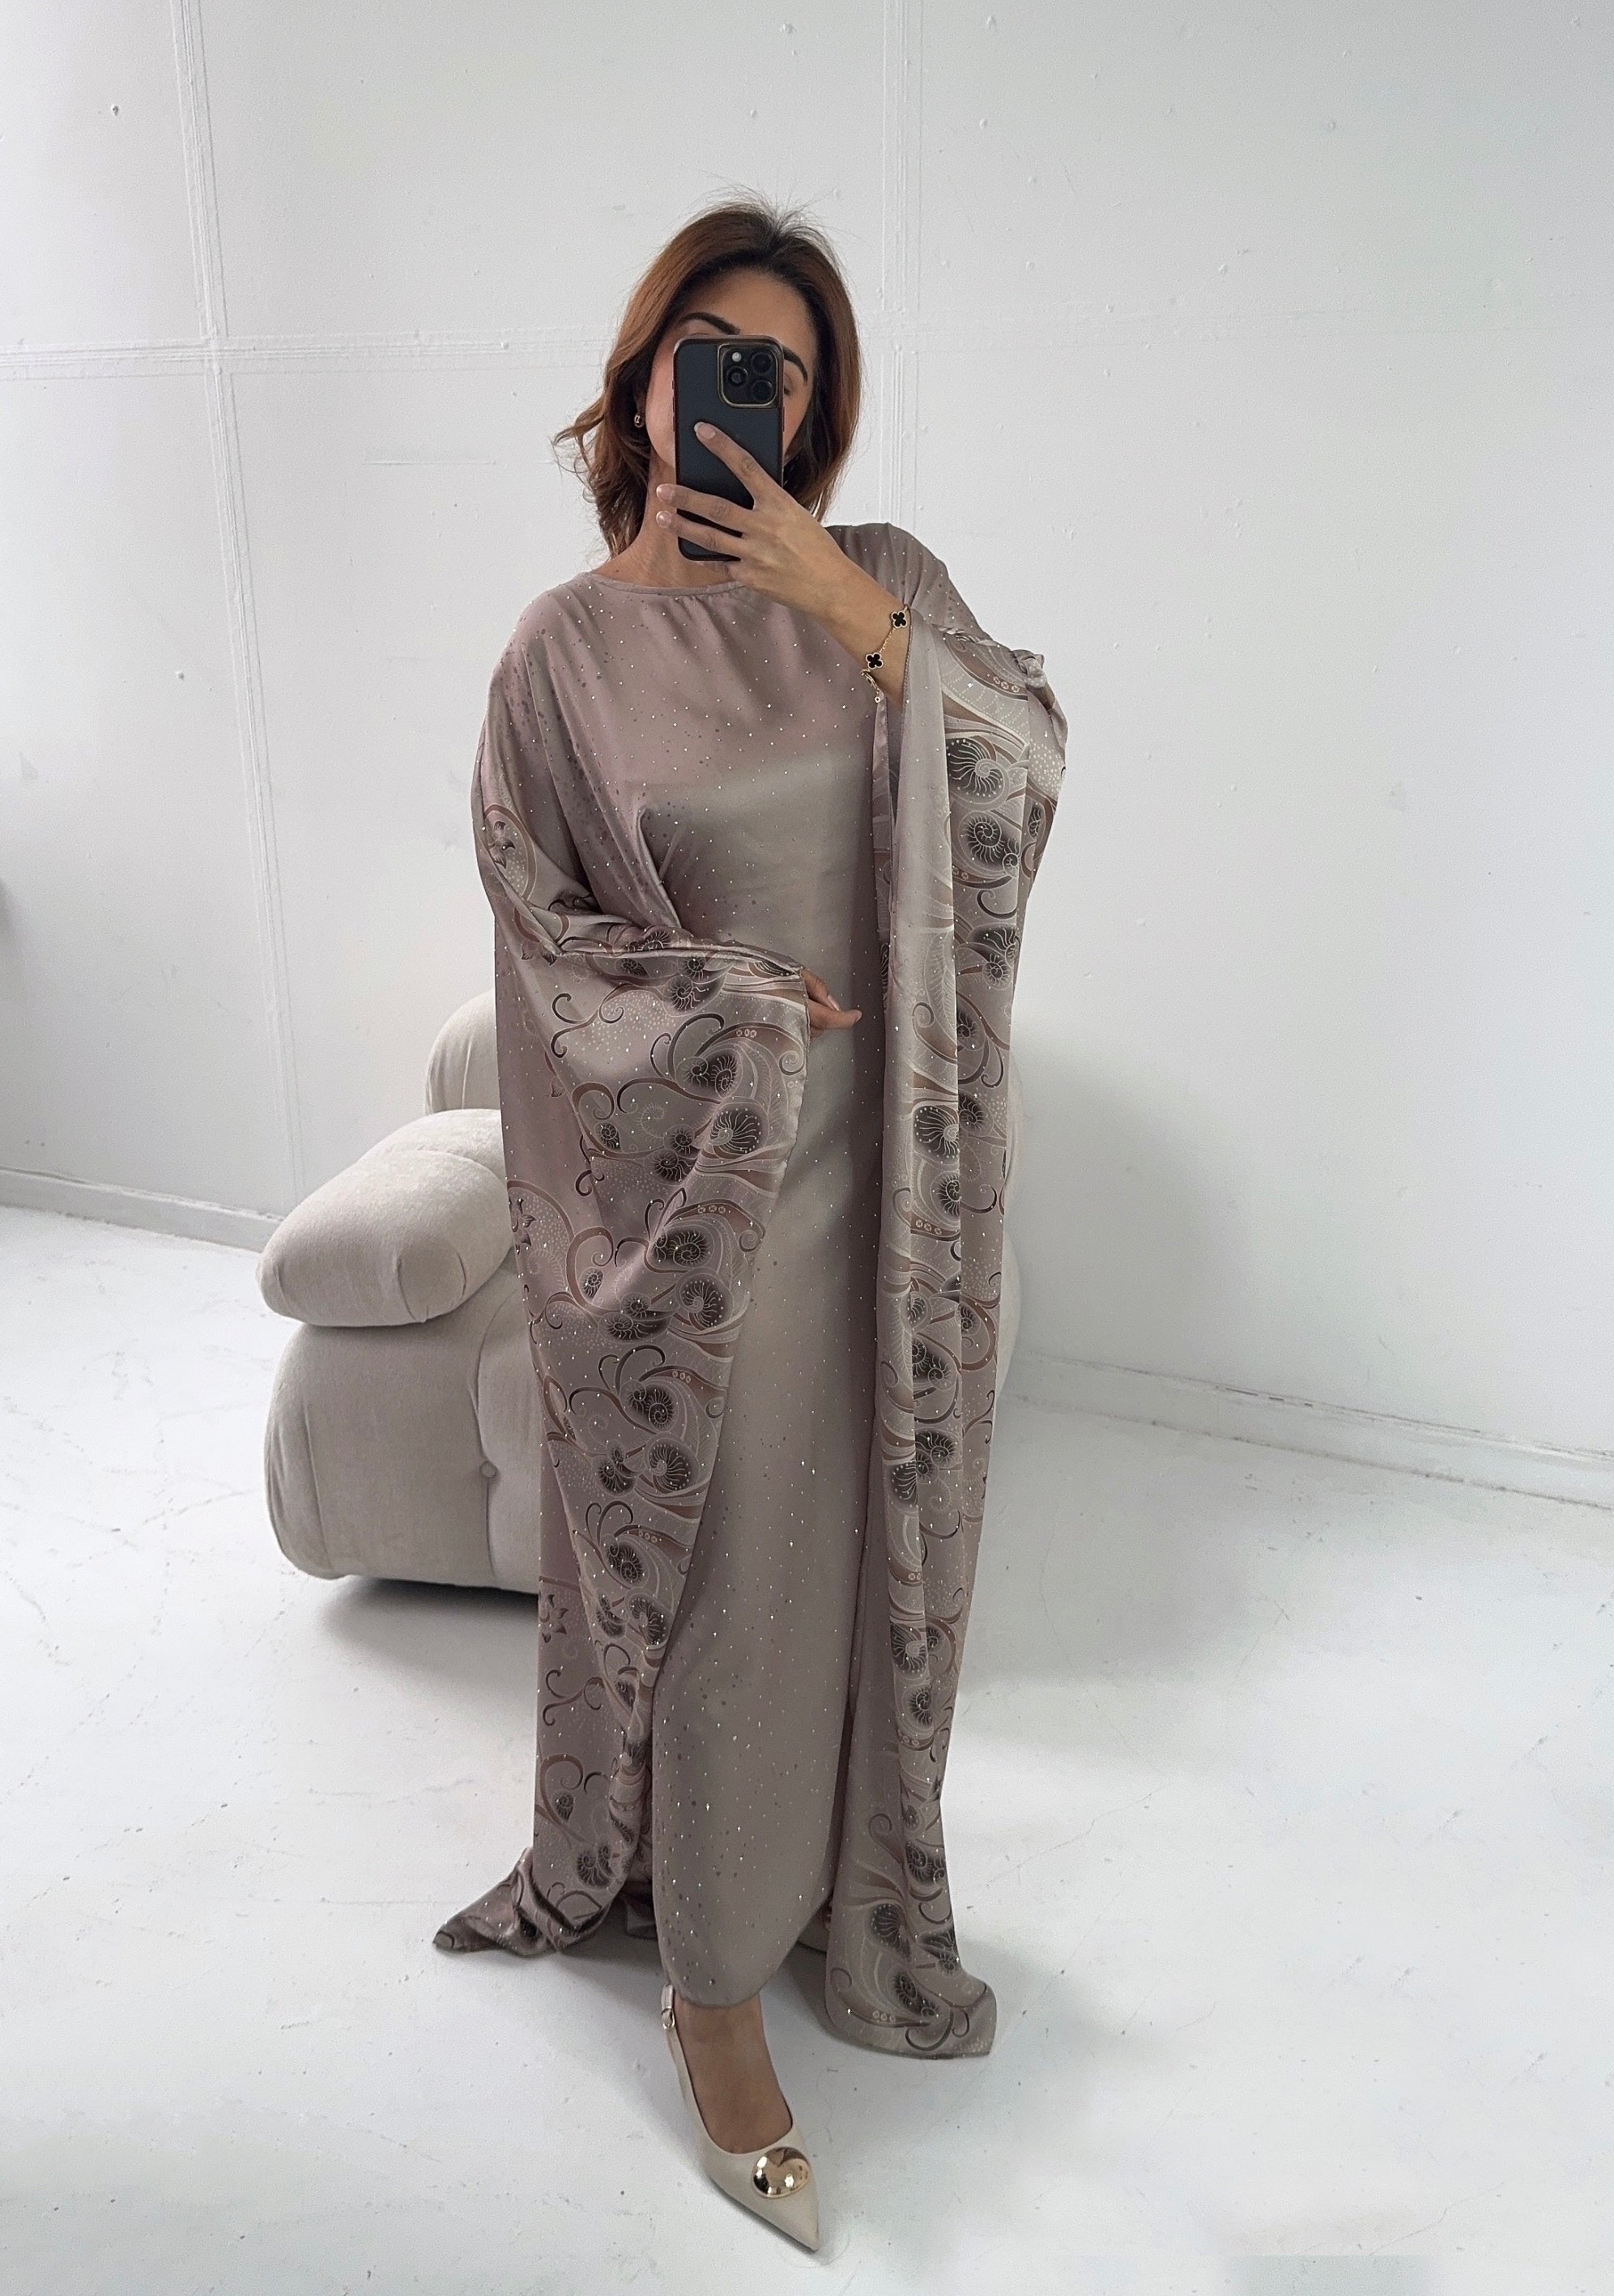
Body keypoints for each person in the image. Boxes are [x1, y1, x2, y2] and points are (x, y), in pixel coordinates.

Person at [434, 198, 1067, 2247]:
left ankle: (822, 1881)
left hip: (897, 1183)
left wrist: (849, 610)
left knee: (864, 1551)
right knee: (727, 1566)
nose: (745, 392)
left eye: (782, 371)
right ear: (638, 381)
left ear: (813, 411)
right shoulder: (564, 653)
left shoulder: (884, 583)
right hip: (706, 1196)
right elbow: (548, 930)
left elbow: (1025, 759)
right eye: (712, 350)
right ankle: (712, 1989)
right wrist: (725, 999)